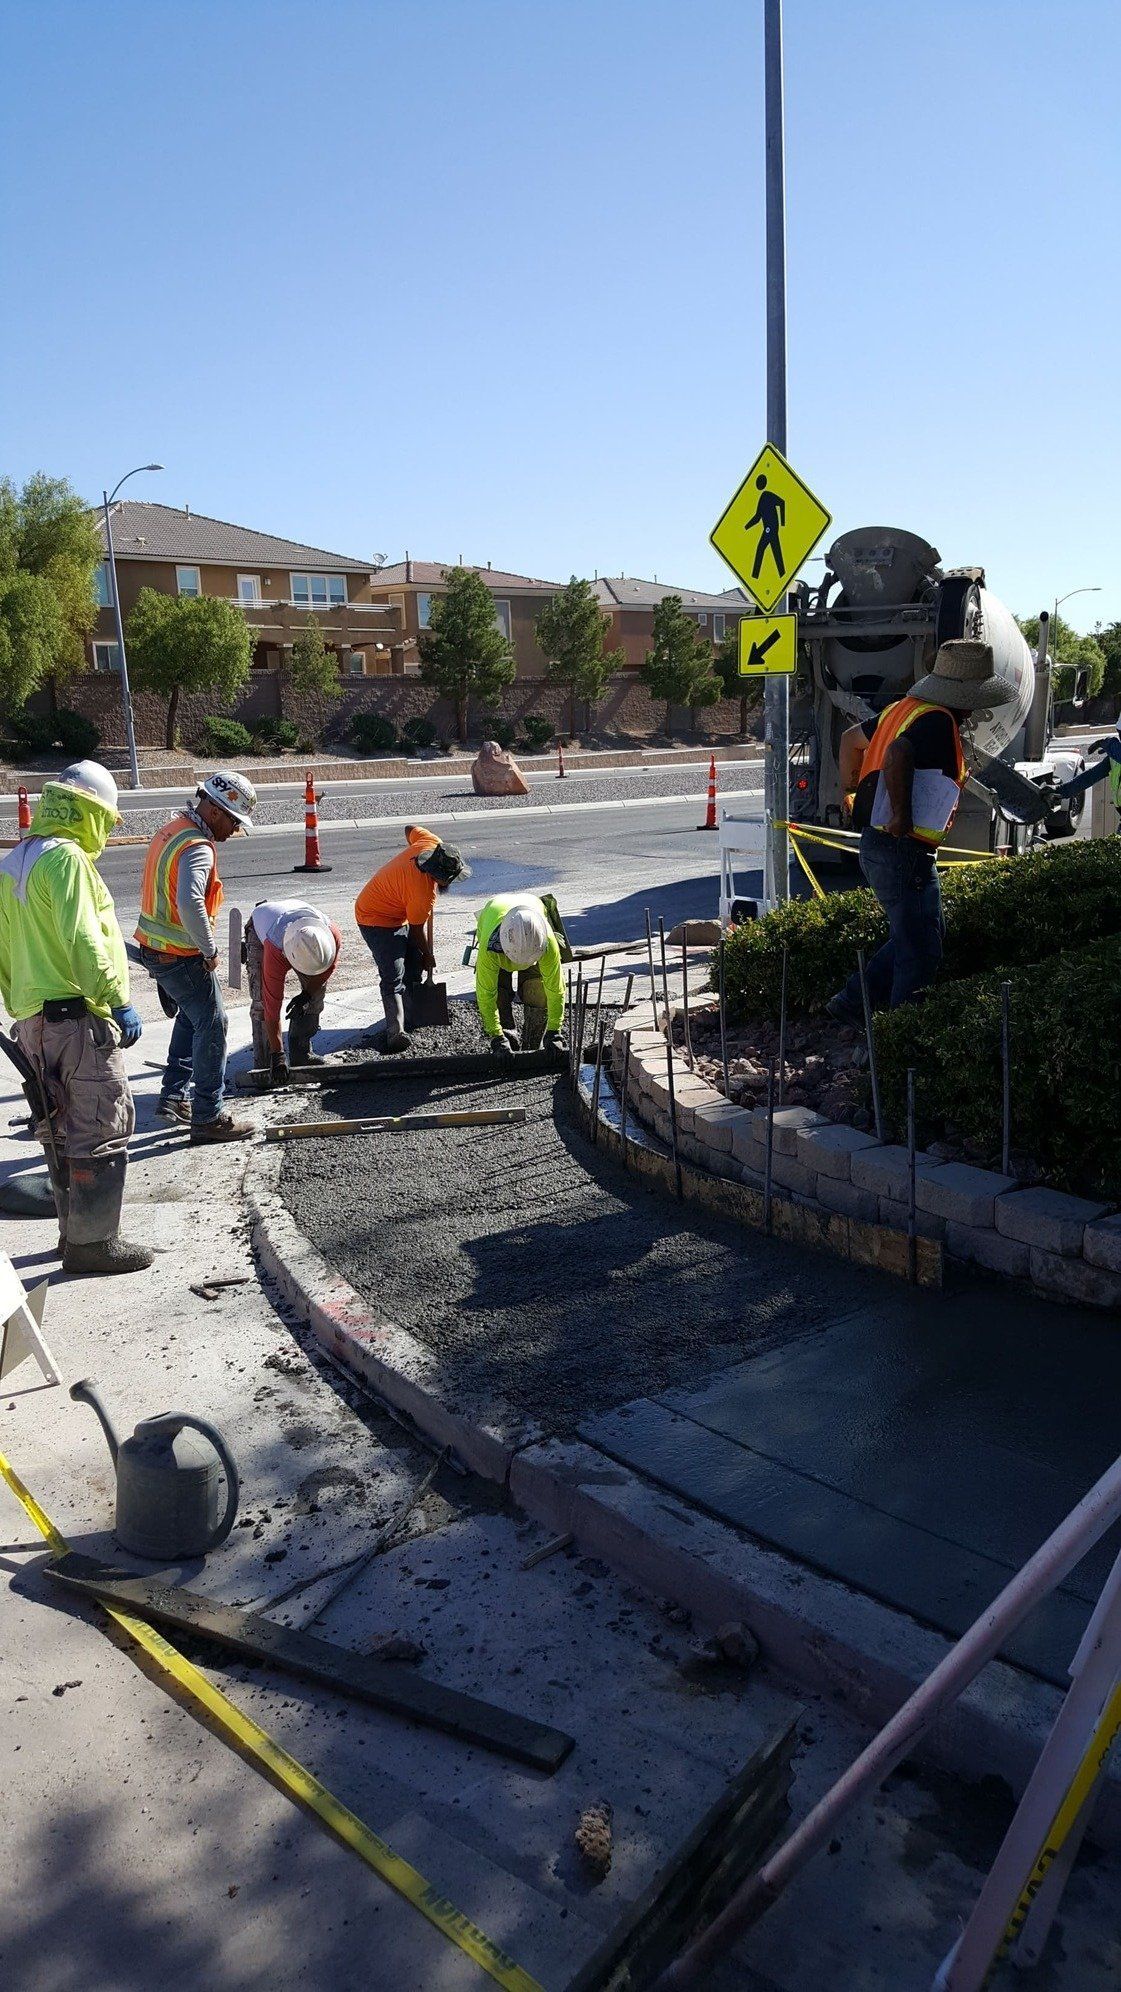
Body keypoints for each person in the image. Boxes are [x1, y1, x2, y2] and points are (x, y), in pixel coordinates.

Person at [0, 761, 150, 1275]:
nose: (108, 831)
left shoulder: (16, 860)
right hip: (79, 1018)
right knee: (100, 1125)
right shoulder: (68, 861)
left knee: (57, 1124)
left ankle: (72, 1236)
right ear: (88, 812)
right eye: (106, 819)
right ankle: (93, 1245)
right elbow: (84, 937)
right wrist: (115, 999)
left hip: (33, 1020)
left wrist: (19, 1008)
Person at [826, 640, 1014, 1021]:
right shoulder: (938, 720)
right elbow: (898, 755)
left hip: (884, 845)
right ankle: (901, 1035)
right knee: (921, 950)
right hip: (902, 847)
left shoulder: (905, 710)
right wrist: (900, 816)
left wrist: (850, 793)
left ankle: (849, 1002)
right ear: (969, 695)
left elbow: (850, 741)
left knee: (915, 935)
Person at [135, 769, 257, 1141]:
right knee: (213, 1023)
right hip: (179, 953)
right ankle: (208, 1116)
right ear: (217, 811)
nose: (234, 831)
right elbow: (189, 901)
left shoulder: (173, 829)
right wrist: (210, 949)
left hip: (156, 947)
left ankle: (173, 1096)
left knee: (193, 1016)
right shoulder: (198, 847)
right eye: (234, 822)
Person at [355, 825, 469, 1052]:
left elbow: (409, 829)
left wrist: (421, 957)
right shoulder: (422, 895)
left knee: (414, 964)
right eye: (448, 880)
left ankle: (412, 1014)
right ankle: (396, 1032)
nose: (448, 884)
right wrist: (428, 954)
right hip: (374, 917)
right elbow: (417, 932)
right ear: (437, 876)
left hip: (398, 910)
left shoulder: (431, 842)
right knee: (393, 974)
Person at [245, 900, 342, 1080]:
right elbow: (271, 1004)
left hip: (295, 927)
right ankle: (267, 1062)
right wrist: (278, 1054)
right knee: (261, 1003)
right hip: (263, 932)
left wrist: (307, 995)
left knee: (315, 996)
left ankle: (301, 1054)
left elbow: (326, 971)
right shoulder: (275, 949)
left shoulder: (331, 937)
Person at [474, 892, 566, 1057]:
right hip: (495, 913)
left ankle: (533, 1044)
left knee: (537, 991)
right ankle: (507, 1038)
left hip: (531, 915)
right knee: (498, 993)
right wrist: (496, 1036)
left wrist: (554, 1030)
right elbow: (485, 994)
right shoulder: (490, 949)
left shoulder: (547, 943)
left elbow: (555, 989)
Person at [1052, 721, 1121, 818]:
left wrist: (1109, 744)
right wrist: (1059, 791)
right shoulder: (1114, 758)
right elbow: (1089, 777)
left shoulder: (1116, 752)